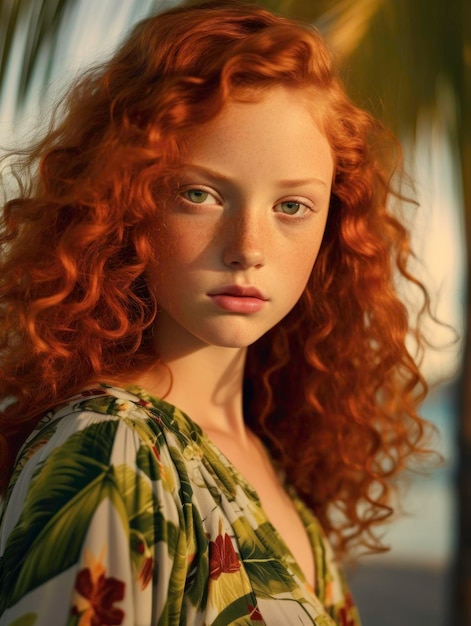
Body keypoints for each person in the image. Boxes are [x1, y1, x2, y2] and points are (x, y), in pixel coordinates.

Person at [0, 1, 435, 624]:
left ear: (333, 225)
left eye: (292, 206)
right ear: (125, 200)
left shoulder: (259, 453)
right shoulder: (111, 450)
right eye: (199, 194)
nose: (249, 249)